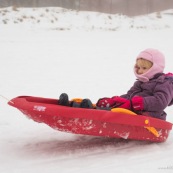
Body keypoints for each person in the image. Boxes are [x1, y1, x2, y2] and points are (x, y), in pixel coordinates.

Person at [59, 48, 173, 120]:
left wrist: (135, 104)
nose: (140, 71)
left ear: (156, 68)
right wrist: (115, 100)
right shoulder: (140, 82)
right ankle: (76, 107)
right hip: (134, 112)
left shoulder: (164, 83)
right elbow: (129, 96)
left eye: (144, 68)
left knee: (115, 114)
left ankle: (92, 114)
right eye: (138, 67)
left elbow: (160, 102)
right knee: (115, 108)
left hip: (150, 117)